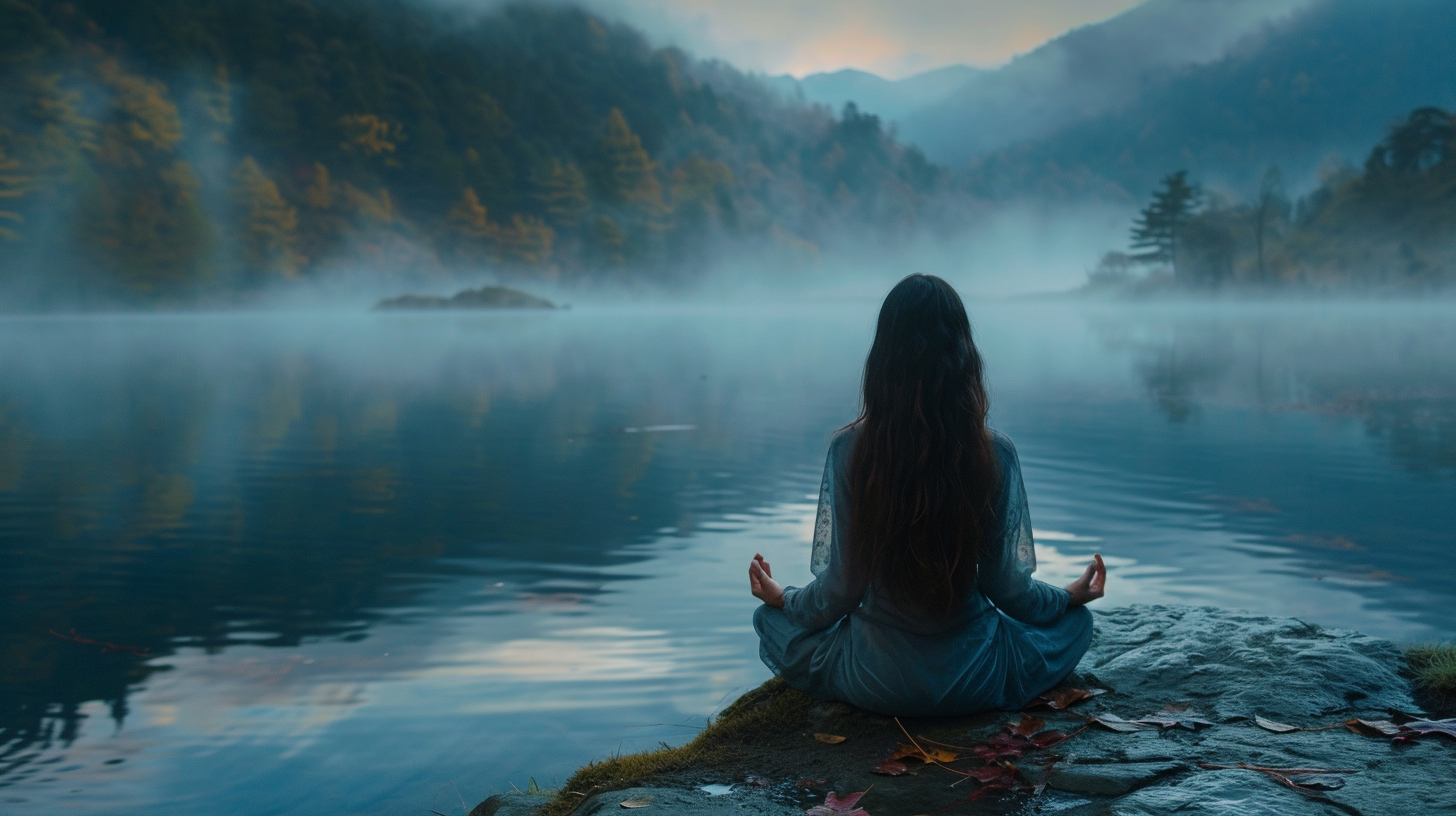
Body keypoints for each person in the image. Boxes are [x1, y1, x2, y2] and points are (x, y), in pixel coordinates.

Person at [748, 274, 1106, 717]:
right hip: (974, 675)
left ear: (882, 359)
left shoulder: (849, 451)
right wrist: (1069, 597)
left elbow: (839, 592)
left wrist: (783, 598)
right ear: (964, 358)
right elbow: (1008, 590)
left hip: (876, 679)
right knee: (1078, 624)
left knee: (768, 622)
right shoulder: (995, 453)